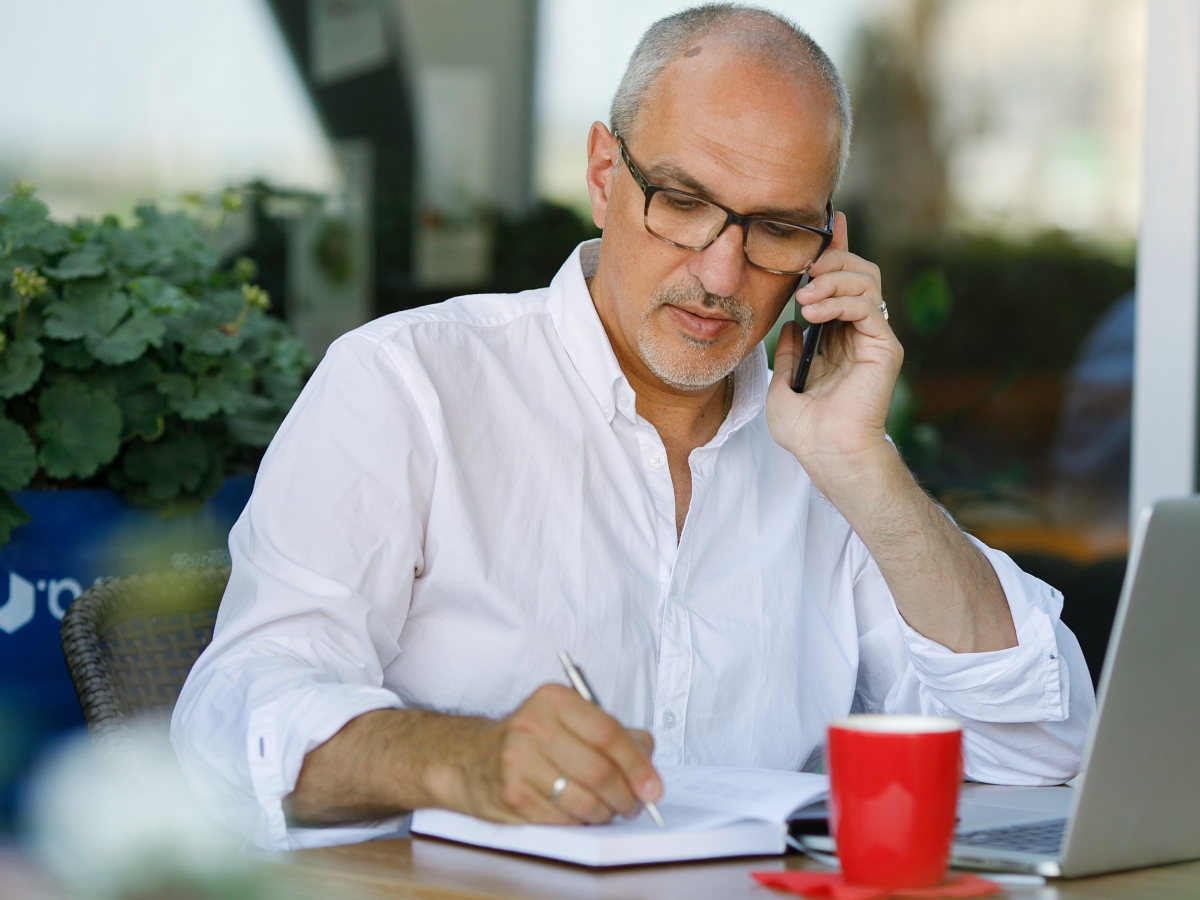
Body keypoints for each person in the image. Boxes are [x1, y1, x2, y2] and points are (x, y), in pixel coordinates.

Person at [171, 4, 1094, 851]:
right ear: (606, 173)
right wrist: (464, 761)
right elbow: (229, 724)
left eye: (777, 228)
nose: (723, 274)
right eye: (684, 204)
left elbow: (1040, 746)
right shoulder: (408, 385)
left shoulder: (820, 450)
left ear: (827, 247)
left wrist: (862, 463)